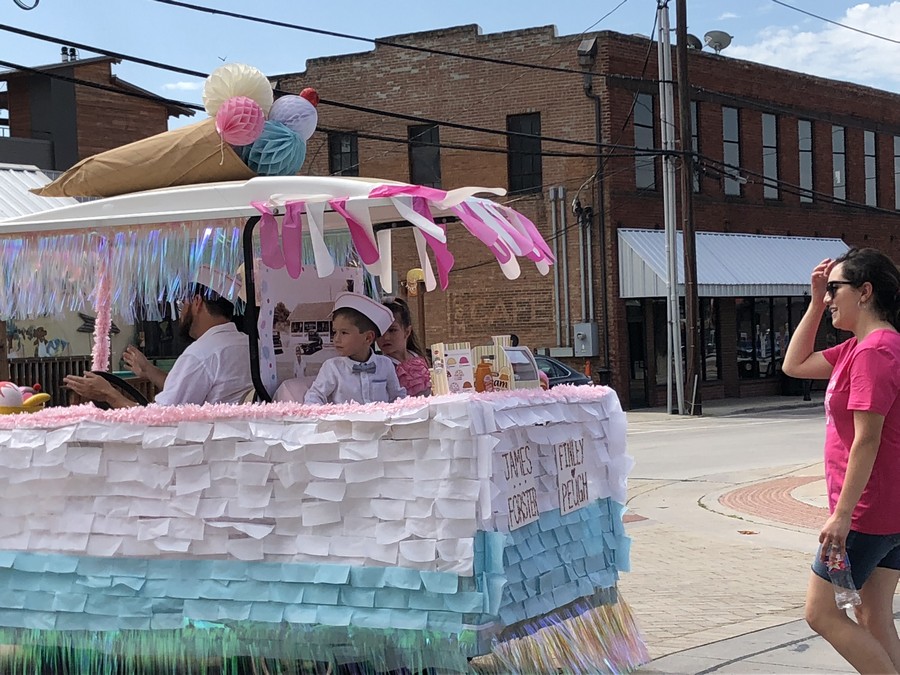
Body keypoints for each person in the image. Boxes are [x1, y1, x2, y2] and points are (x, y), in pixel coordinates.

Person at [783, 248, 900, 673]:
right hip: (885, 511)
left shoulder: (874, 352)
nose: (829, 296)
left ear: (865, 291)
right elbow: (794, 365)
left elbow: (867, 440)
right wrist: (814, 303)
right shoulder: (858, 348)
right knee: (873, 617)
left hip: (866, 513)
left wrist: (843, 515)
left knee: (821, 613)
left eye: (834, 289)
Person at [65, 267, 253, 407]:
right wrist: (148, 370)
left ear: (197, 302)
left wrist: (108, 394)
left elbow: (158, 420)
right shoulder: (250, 345)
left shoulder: (201, 354)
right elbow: (189, 387)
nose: (180, 313)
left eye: (182, 304)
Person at [303, 292, 406, 405]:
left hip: (380, 422)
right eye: (334, 332)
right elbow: (314, 396)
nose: (336, 339)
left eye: (344, 333)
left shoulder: (385, 364)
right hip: (345, 422)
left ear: (368, 338)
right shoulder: (332, 368)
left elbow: (397, 397)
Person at [377, 297, 431, 397]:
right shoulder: (381, 366)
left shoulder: (418, 356)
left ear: (407, 332)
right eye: (381, 331)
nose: (386, 337)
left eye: (392, 330)